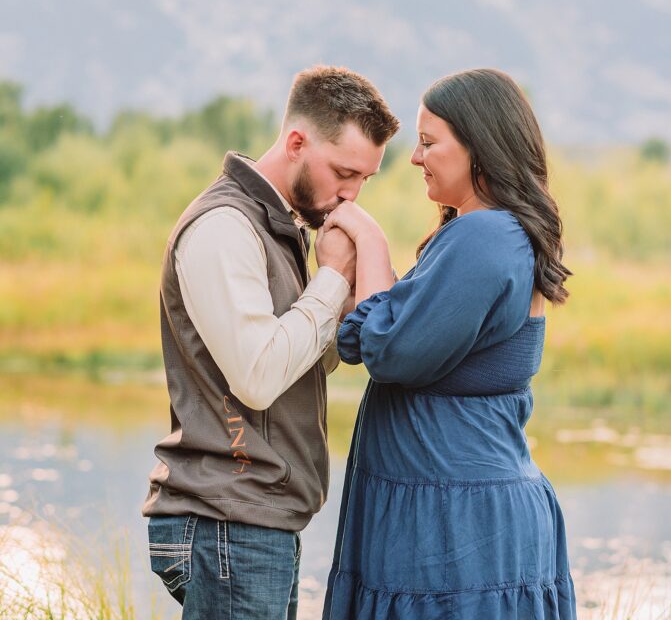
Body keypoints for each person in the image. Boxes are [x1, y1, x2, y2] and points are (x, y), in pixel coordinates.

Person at [318, 68, 577, 620]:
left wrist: (369, 239)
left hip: (457, 531)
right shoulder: (483, 234)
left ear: (480, 148)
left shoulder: (485, 236)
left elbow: (388, 348)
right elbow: (389, 331)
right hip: (450, 513)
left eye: (430, 142)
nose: (415, 157)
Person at [142, 65, 399, 619]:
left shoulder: (282, 227)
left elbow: (295, 365)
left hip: (253, 519)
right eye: (343, 172)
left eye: (365, 180)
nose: (351, 195)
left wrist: (347, 301)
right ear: (297, 142)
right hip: (227, 522)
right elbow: (258, 377)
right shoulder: (224, 226)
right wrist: (330, 281)